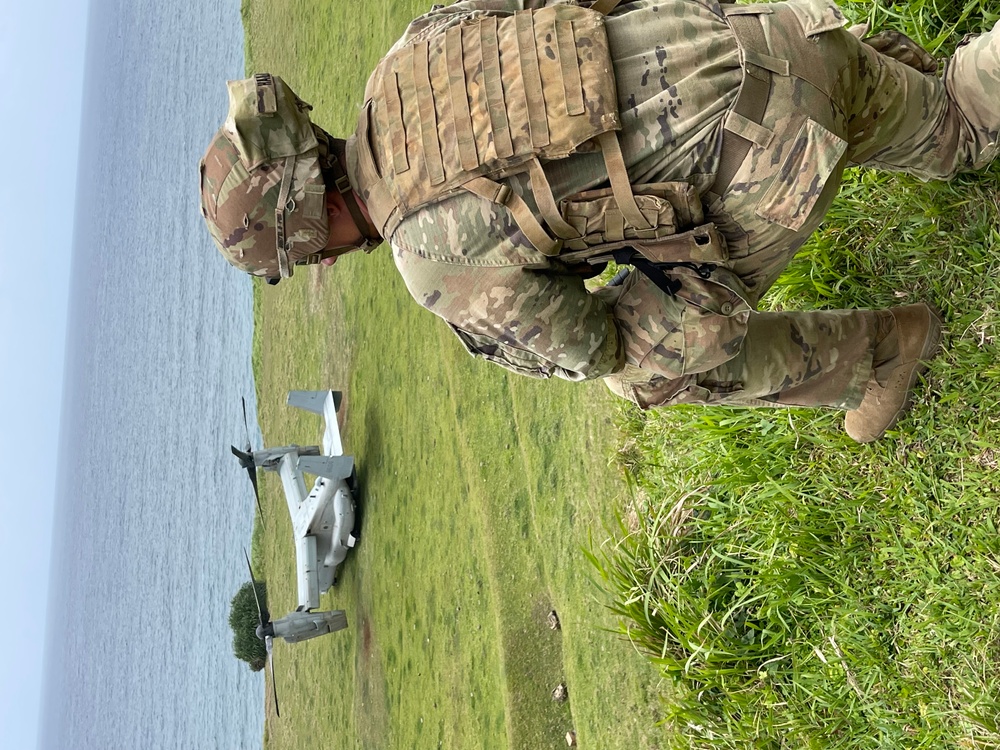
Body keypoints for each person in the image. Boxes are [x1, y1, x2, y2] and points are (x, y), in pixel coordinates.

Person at [199, 0, 1000, 443]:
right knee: (960, 121)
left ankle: (881, 354)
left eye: (307, 254)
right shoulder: (406, 58)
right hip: (770, 33)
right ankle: (911, 72)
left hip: (776, 145)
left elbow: (587, 346)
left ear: (314, 219)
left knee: (646, 374)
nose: (327, 264)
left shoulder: (428, 261)